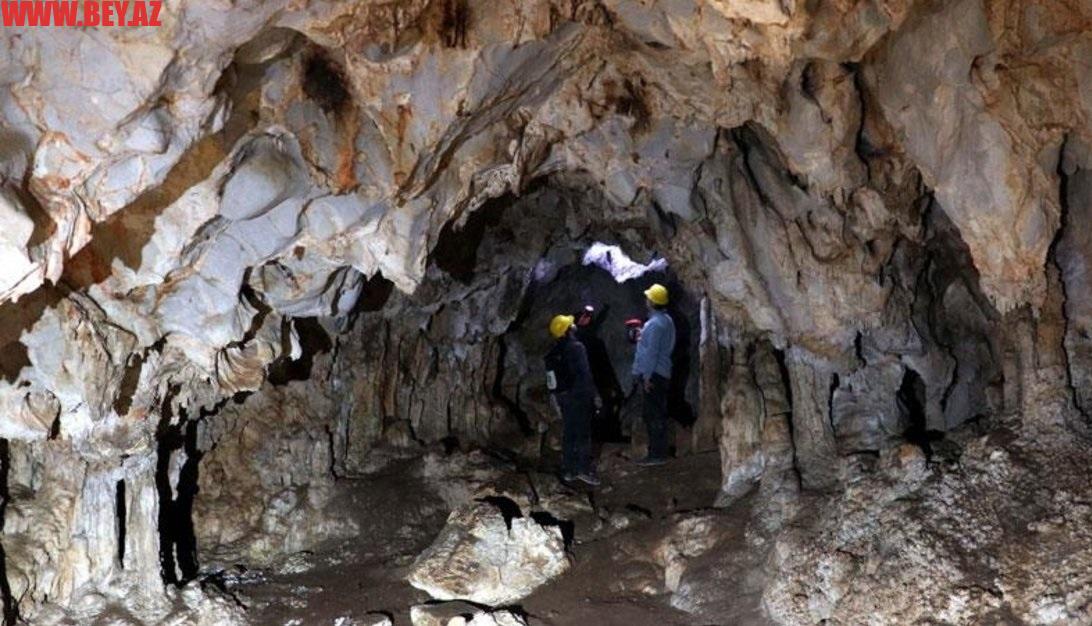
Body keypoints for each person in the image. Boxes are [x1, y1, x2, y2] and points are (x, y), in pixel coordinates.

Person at [544, 314, 601, 486]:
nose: (574, 325)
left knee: (569, 431)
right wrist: (594, 395)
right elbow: (584, 374)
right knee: (583, 432)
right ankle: (583, 469)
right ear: (568, 330)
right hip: (579, 395)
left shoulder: (554, 351)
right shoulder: (577, 347)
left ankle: (569, 469)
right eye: (571, 325)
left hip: (563, 397)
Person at [631, 283, 676, 466]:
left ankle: (657, 454)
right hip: (661, 372)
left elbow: (652, 353)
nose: (646, 300)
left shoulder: (655, 324)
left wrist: (647, 376)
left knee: (653, 415)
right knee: (657, 413)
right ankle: (658, 452)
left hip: (654, 374)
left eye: (648, 298)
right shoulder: (666, 320)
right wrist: (643, 335)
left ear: (652, 301)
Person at [573, 305, 624, 442]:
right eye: (584, 317)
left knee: (605, 408)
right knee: (597, 411)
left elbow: (605, 365)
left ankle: (603, 436)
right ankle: (599, 437)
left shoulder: (587, 340)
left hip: (597, 381)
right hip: (591, 382)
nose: (587, 318)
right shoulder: (580, 343)